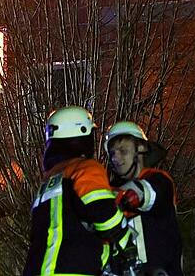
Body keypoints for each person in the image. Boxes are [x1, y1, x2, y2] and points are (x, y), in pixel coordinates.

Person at [23, 106, 137, 276]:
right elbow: (101, 210)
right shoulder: (84, 168)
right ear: (83, 135)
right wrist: (127, 244)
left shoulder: (50, 182)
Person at [105, 121, 183, 276]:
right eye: (112, 153)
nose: (116, 158)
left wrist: (111, 201)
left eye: (122, 150)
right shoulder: (107, 190)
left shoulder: (158, 180)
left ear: (140, 148)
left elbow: (147, 193)